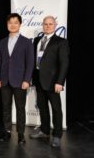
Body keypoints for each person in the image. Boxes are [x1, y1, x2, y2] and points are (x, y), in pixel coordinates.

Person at [29, 16, 69, 148]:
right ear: (42, 25)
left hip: (53, 82)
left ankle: (57, 135)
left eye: (50, 24)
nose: (47, 26)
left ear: (55, 25)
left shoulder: (61, 42)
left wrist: (60, 82)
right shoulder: (37, 40)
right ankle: (45, 131)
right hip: (38, 80)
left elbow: (64, 64)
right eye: (45, 24)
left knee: (56, 109)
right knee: (42, 107)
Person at [0, 13, 34, 145]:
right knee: (6, 107)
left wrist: (26, 80)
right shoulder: (2, 42)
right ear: (7, 25)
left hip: (20, 81)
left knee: (20, 108)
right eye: (10, 22)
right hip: (4, 80)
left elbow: (30, 63)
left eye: (15, 22)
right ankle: (7, 132)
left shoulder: (27, 42)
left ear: (20, 24)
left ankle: (21, 134)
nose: (13, 25)